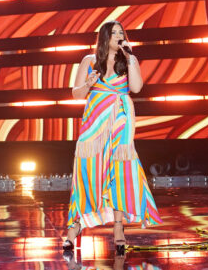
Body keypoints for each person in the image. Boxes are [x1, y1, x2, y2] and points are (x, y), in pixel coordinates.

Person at [63, 20, 162, 256]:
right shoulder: (89, 61)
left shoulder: (128, 60)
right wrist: (87, 84)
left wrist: (131, 59)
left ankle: (119, 227)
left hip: (121, 117)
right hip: (94, 118)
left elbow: (136, 88)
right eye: (114, 32)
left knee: (119, 170)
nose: (119, 36)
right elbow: (76, 94)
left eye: (121, 33)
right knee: (88, 169)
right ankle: (76, 224)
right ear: (105, 37)